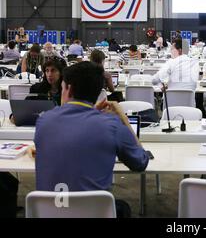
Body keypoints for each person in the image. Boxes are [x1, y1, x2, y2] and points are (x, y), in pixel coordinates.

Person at [34, 61, 149, 217]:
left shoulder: (44, 120)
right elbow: (140, 163)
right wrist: (124, 121)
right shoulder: (111, 125)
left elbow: (73, 134)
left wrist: (91, 113)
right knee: (122, 208)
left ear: (68, 88)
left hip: (50, 210)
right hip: (93, 212)